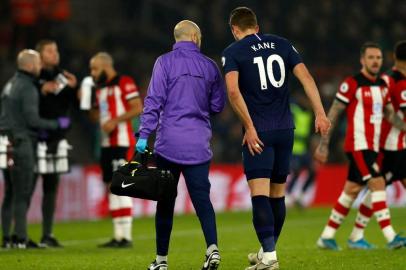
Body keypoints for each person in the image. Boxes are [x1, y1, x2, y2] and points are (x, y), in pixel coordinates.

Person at [222, 7, 330, 270]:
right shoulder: (282, 44)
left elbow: (234, 93)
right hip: (285, 130)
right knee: (277, 194)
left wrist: (248, 127)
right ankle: (266, 251)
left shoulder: (233, 52)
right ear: (256, 27)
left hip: (259, 132)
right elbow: (306, 77)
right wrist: (320, 113)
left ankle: (270, 257)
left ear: (235, 30)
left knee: (259, 195)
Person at [136, 20, 225, 270]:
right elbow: (218, 105)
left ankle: (161, 261)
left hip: (169, 145)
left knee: (165, 202)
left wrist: (144, 136)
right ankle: (212, 249)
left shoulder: (163, 62)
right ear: (195, 36)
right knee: (202, 201)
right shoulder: (209, 66)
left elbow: (153, 101)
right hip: (198, 145)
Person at [315, 42, 406, 250]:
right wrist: (323, 144)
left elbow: (390, 115)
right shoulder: (352, 83)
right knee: (377, 182)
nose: (375, 61)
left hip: (372, 147)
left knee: (352, 190)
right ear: (362, 60)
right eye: (371, 57)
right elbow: (334, 112)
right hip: (358, 145)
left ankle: (327, 236)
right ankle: (391, 237)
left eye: (378, 58)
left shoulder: (383, 87)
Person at [0, 50, 70, 249]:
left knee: (10, 193)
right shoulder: (28, 87)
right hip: (21, 142)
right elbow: (32, 119)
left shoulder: (10, 84)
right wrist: (57, 124)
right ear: (30, 66)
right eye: (38, 63)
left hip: (5, 142)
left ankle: (7, 239)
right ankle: (21, 238)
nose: (40, 67)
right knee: (22, 194)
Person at [346, 40, 406, 248]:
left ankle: (356, 235)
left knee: (375, 188)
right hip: (390, 147)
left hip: (397, 145)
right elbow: (388, 112)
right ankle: (364, 235)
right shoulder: (390, 81)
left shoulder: (390, 80)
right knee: (376, 186)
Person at [89, 52, 142, 248]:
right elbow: (95, 117)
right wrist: (88, 106)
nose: (92, 73)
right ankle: (118, 236)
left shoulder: (124, 82)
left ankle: (126, 237)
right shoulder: (99, 89)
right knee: (111, 187)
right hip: (105, 144)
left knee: (122, 185)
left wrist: (115, 121)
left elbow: (137, 107)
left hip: (121, 142)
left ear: (105, 66)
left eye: (94, 68)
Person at [30, 39, 78, 248]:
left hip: (56, 139)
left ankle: (47, 234)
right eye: (49, 51)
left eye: (56, 50)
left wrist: (75, 90)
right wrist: (41, 88)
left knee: (51, 187)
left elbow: (73, 105)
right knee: (26, 188)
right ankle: (17, 236)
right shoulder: (31, 77)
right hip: (34, 138)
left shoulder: (64, 78)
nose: (55, 54)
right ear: (39, 56)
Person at [286, 91, 316, 208]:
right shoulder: (293, 110)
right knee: (296, 171)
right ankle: (288, 196)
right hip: (293, 149)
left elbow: (309, 134)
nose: (309, 102)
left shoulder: (309, 114)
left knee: (313, 171)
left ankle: (301, 195)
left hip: (304, 150)